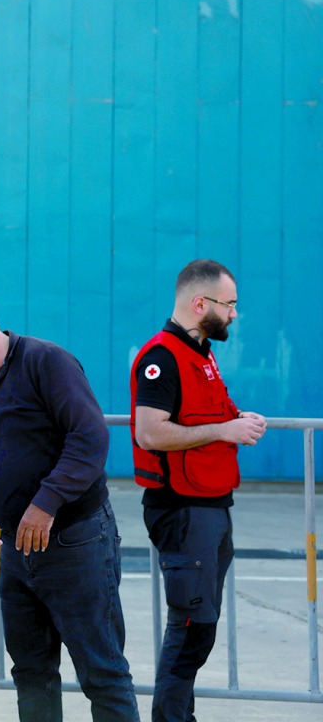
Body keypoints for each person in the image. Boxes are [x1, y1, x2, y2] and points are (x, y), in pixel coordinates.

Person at [0, 292, 140, 722]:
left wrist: (46, 502)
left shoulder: (47, 362)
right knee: (30, 671)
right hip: (16, 548)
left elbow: (89, 438)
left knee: (102, 671)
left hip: (75, 541)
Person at [130, 259, 266, 722]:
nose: (234, 314)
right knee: (191, 629)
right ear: (200, 303)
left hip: (210, 506)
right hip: (183, 510)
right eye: (229, 304)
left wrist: (237, 420)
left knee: (197, 628)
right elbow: (150, 432)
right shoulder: (161, 357)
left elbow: (204, 414)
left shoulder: (202, 353)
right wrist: (226, 430)